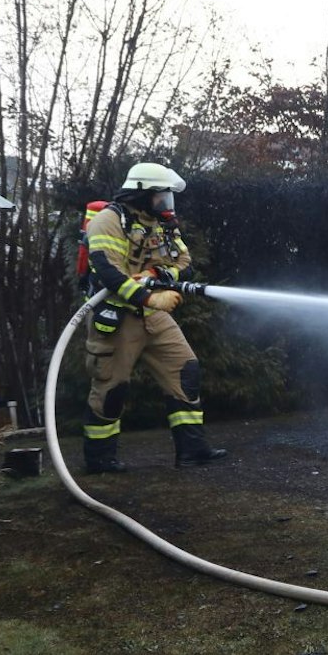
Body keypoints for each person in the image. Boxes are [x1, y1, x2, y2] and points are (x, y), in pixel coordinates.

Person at [79, 162, 228, 473]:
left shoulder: (162, 224)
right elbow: (108, 273)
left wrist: (158, 275)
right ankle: (100, 460)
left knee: (185, 369)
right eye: (161, 197)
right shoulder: (109, 222)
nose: (166, 204)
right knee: (111, 387)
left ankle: (192, 450)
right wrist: (150, 294)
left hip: (153, 316)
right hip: (118, 318)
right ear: (141, 193)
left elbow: (184, 263)